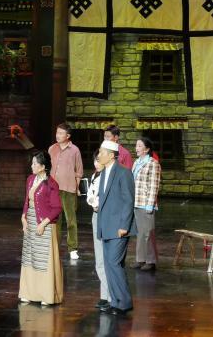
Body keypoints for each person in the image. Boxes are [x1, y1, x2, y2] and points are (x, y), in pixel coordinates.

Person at [96, 140, 136, 315]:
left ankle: (124, 302)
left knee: (114, 263)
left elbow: (128, 200)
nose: (99, 155)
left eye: (101, 152)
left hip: (119, 227)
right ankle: (115, 301)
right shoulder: (104, 172)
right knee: (108, 265)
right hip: (106, 226)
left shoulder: (123, 173)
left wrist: (124, 225)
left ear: (111, 155)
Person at [19, 150, 64, 306]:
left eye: (34, 164)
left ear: (43, 167)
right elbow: (27, 201)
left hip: (44, 224)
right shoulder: (30, 179)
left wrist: (43, 223)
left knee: (43, 260)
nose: (31, 166)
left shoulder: (51, 184)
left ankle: (46, 295)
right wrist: (23, 217)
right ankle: (29, 293)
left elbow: (57, 208)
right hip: (30, 222)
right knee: (30, 258)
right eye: (32, 163)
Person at [48, 123, 83, 260]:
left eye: (61, 133)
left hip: (68, 189)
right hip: (53, 190)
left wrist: (77, 187)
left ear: (68, 136)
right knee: (54, 220)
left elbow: (79, 171)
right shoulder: (52, 148)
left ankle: (72, 248)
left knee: (71, 220)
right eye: (57, 132)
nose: (58, 135)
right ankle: (55, 247)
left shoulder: (75, 150)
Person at [132, 137, 161, 271]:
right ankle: (140, 259)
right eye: (136, 145)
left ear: (147, 149)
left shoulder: (153, 163)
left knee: (148, 233)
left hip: (146, 202)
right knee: (140, 233)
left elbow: (154, 185)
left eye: (139, 146)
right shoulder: (137, 162)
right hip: (136, 202)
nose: (136, 148)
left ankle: (151, 260)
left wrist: (150, 204)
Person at [86, 150, 110, 311]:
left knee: (107, 259)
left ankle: (109, 296)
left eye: (99, 160)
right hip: (96, 216)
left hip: (106, 217)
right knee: (100, 259)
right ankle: (104, 295)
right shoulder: (95, 176)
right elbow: (90, 194)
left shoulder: (108, 177)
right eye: (95, 160)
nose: (96, 163)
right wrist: (92, 202)